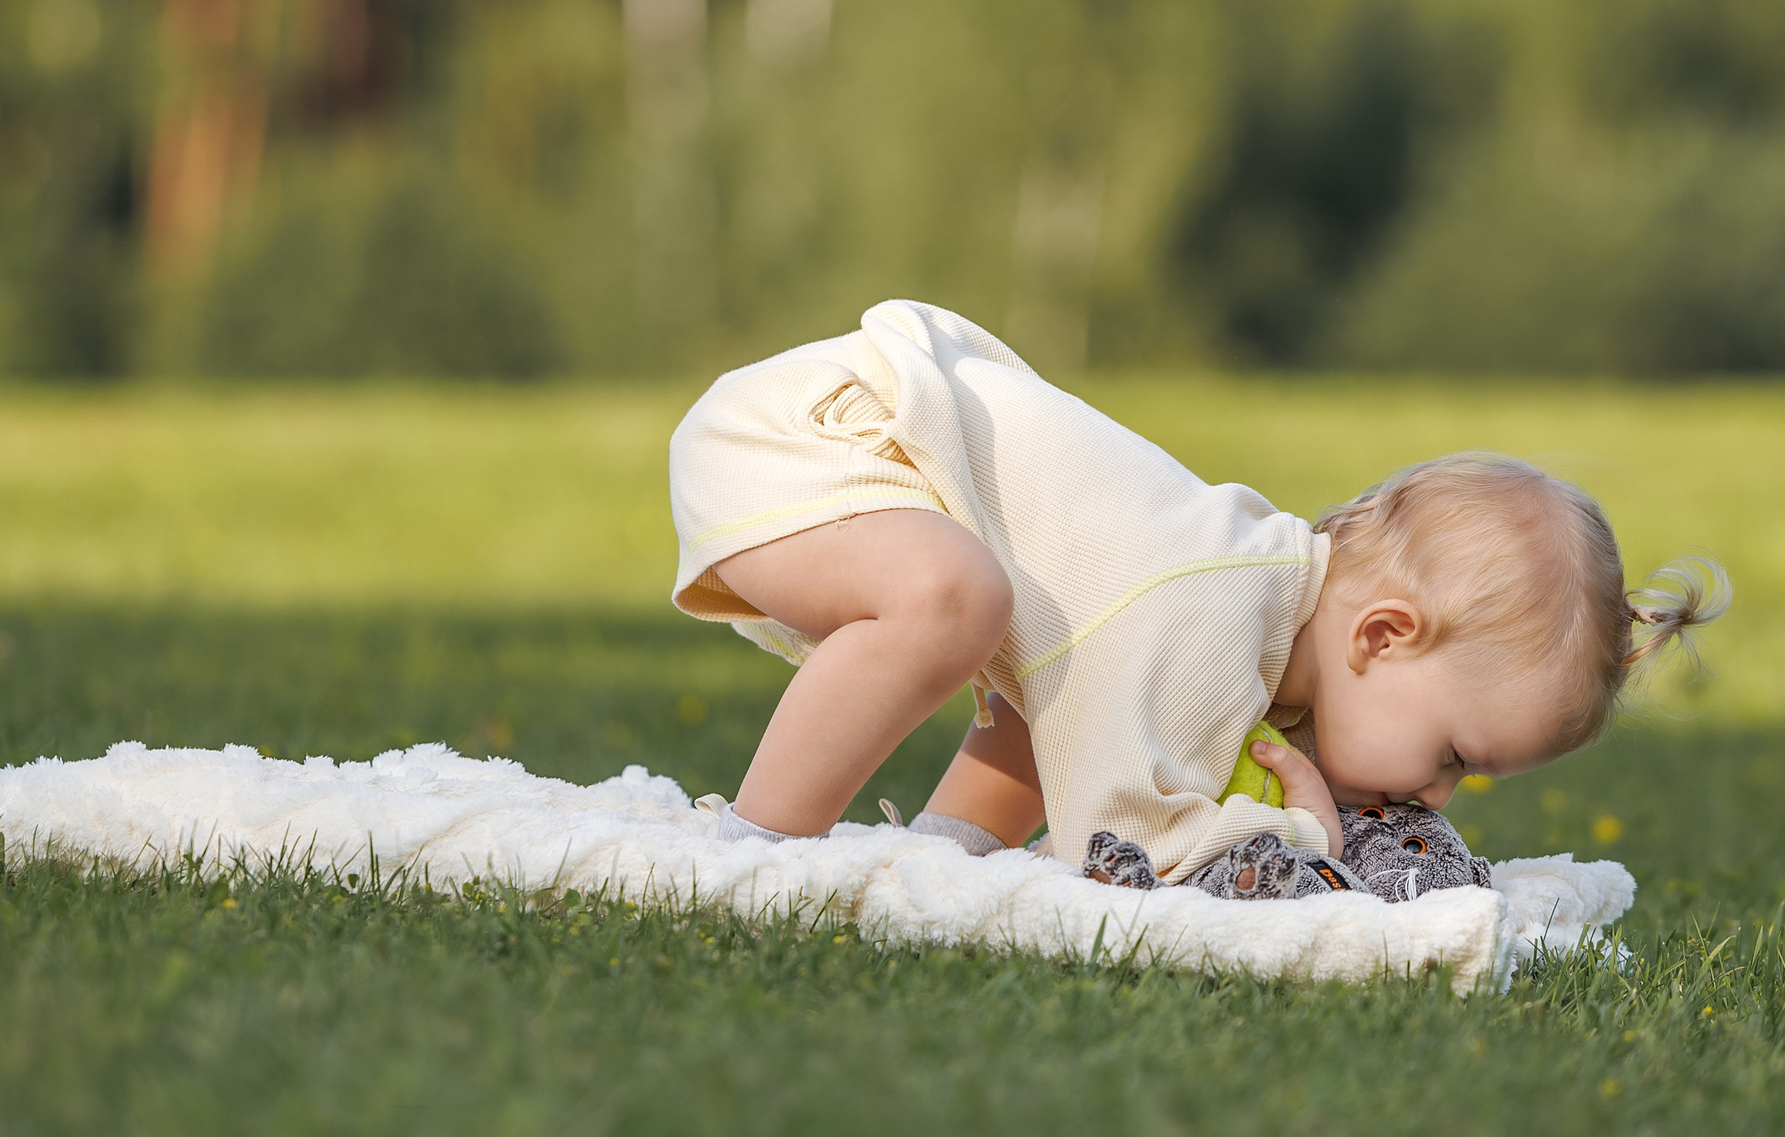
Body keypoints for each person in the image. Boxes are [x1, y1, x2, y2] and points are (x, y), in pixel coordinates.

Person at [667, 299, 1726, 876]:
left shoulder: (1253, 622)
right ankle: (757, 856)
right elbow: (1126, 840)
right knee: (955, 601)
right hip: (815, 433)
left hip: (874, 440)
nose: (1435, 796)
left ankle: (935, 853)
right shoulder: (1213, 611)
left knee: (1044, 674)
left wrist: (952, 875)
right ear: (1384, 635)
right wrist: (1306, 844)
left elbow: (1061, 730)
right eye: (1453, 756)